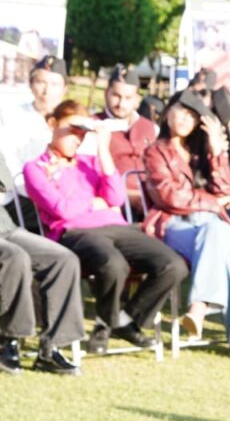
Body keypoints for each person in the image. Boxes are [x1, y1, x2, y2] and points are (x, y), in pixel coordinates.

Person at [22, 99, 187, 355]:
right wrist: (95, 203)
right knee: (113, 264)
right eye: (71, 130)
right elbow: (61, 209)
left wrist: (102, 148)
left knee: (173, 265)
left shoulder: (90, 162)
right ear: (53, 125)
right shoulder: (36, 168)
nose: (76, 138)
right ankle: (113, 321)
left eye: (82, 133)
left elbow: (117, 199)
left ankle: (119, 320)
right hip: (74, 233)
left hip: (117, 227)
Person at [142, 89, 230, 359]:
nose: (183, 119)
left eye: (191, 115)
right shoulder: (155, 151)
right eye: (179, 110)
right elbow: (170, 196)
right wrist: (213, 203)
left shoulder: (201, 151)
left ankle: (199, 308)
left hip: (210, 227)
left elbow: (228, 188)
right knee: (221, 249)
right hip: (173, 224)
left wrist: (217, 152)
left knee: (214, 232)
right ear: (168, 111)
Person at [0, 153, 83, 375]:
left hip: (4, 227)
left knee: (63, 260)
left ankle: (51, 348)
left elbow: (4, 185)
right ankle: (8, 340)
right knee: (14, 257)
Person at [1, 55, 67, 232]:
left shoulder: (73, 119)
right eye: (40, 82)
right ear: (30, 84)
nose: (46, 91)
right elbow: (10, 164)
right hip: (25, 195)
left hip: (67, 195)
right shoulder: (12, 117)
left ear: (64, 89)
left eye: (54, 84)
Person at [93, 64, 159, 216]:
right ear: (106, 93)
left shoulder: (151, 128)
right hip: (112, 203)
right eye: (116, 96)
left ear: (137, 99)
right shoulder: (94, 125)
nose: (121, 104)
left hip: (151, 201)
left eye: (128, 98)